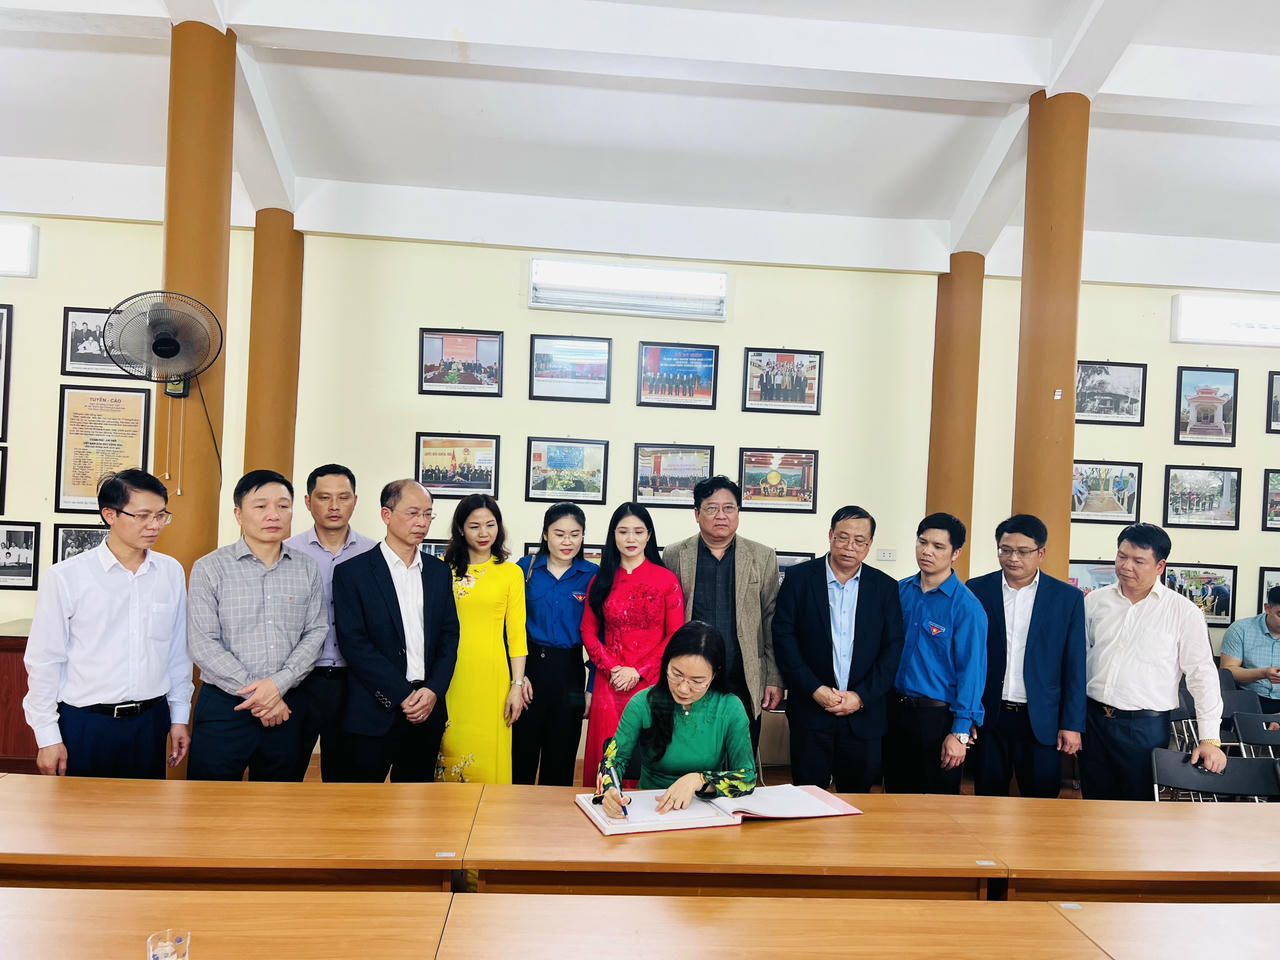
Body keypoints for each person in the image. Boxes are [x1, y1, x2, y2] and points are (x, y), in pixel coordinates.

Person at [23, 470, 192, 778]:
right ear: (110, 514)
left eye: (161, 515)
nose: (154, 525)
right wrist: (47, 737)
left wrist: (179, 716)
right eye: (143, 516)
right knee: (79, 808)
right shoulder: (66, 577)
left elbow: (177, 651)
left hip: (150, 722)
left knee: (146, 808)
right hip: (86, 724)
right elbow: (45, 661)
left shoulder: (170, 572)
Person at [186, 470, 327, 781]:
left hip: (287, 706)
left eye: (283, 506)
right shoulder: (209, 568)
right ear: (239, 514)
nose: (273, 515)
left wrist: (277, 686)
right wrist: (261, 694)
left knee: (278, 803)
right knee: (210, 801)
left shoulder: (307, 568)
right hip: (225, 707)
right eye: (261, 506)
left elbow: (316, 631)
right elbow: (203, 642)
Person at [1082, 523, 1225, 800]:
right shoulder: (1095, 602)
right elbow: (1078, 659)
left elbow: (1202, 676)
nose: (1126, 566)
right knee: (1093, 802)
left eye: (1138, 561)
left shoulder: (1183, 612)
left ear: (1160, 566)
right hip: (1094, 721)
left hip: (1143, 727)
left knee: (1139, 808)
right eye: (1121, 556)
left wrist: (1209, 738)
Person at [772, 505, 904, 792]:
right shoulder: (799, 579)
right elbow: (784, 638)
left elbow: (892, 649)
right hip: (811, 711)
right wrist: (814, 689)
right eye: (843, 537)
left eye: (859, 540)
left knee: (858, 799)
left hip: (863, 715)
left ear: (869, 545)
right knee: (808, 797)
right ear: (831, 535)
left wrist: (861, 696)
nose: (849, 546)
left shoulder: (885, 587)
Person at [333, 480, 458, 782]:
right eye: (413, 513)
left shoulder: (439, 571)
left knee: (416, 802)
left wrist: (433, 690)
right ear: (386, 515)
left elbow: (449, 636)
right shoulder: (353, 572)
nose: (422, 522)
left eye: (428, 514)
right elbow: (354, 643)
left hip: (427, 709)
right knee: (362, 803)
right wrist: (402, 694)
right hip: (373, 709)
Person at [966, 514, 1086, 799]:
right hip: (990, 716)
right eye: (1005, 550)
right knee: (986, 798)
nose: (1013, 558)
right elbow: (967, 657)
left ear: (1041, 553)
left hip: (1041, 719)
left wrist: (1071, 724)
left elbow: (1074, 665)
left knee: (1042, 803)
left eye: (1022, 551)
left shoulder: (1066, 598)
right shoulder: (977, 590)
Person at [663, 475, 782, 752]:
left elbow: (771, 619)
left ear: (738, 512)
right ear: (697, 513)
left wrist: (774, 678)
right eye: (711, 508)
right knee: (689, 750)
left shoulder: (762, 556)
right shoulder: (674, 555)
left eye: (729, 508)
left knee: (740, 753)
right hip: (689, 677)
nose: (721, 515)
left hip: (743, 674)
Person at [597, 621, 755, 817]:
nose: (683, 688)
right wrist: (609, 791)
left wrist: (699, 780)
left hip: (706, 812)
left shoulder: (730, 708)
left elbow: (747, 777)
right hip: (650, 809)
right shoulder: (642, 703)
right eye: (676, 674)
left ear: (714, 675)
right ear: (666, 664)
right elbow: (612, 761)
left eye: (697, 681)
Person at [580, 502, 685, 787]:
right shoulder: (600, 580)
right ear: (613, 535)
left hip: (650, 683)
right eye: (623, 531)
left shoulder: (666, 580)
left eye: (638, 532)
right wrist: (612, 668)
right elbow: (588, 631)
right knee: (608, 757)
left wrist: (637, 672)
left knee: (646, 757)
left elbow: (675, 635)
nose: (631, 538)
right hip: (609, 682)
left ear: (648, 535)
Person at [283, 463, 376, 780]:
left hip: (355, 681)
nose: (334, 506)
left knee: (347, 779)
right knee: (285, 771)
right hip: (300, 680)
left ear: (355, 501)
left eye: (343, 497)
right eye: (324, 497)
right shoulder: (287, 552)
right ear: (308, 502)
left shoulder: (375, 553)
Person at [887, 512, 987, 794]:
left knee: (937, 806)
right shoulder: (898, 592)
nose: (926, 551)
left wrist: (960, 731)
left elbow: (972, 673)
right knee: (894, 800)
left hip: (937, 719)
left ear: (956, 553)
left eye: (938, 546)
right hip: (894, 712)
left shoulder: (967, 606)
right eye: (922, 542)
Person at [438, 494, 529, 783]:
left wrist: (516, 685)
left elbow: (517, 634)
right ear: (460, 528)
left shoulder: (511, 573)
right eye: (474, 526)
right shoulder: (442, 569)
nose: (483, 533)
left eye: (490, 525)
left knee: (491, 758)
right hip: (449, 675)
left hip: (493, 677)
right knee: (449, 749)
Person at [513, 502, 598, 785]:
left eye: (575, 534)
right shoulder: (525, 570)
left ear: (583, 535)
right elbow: (508, 627)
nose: (567, 541)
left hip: (570, 672)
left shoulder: (592, 576)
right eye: (559, 534)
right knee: (520, 756)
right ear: (545, 534)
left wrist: (591, 688)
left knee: (561, 759)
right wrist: (517, 678)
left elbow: (601, 635)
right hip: (529, 670)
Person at [1220, 585, 1280, 714]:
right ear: (1267, 608)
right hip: (1250, 700)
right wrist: (1264, 673)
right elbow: (1228, 671)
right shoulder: (1241, 629)